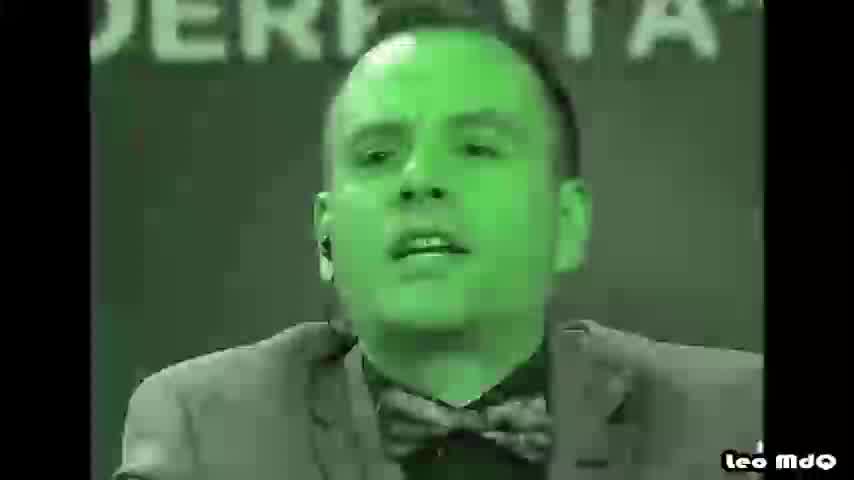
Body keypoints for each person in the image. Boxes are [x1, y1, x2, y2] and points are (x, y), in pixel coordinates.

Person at [114, 2, 762, 479]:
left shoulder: (735, 418)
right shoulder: (206, 433)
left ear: (567, 223)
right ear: (326, 235)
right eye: (377, 155)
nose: (419, 179)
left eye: (477, 148)